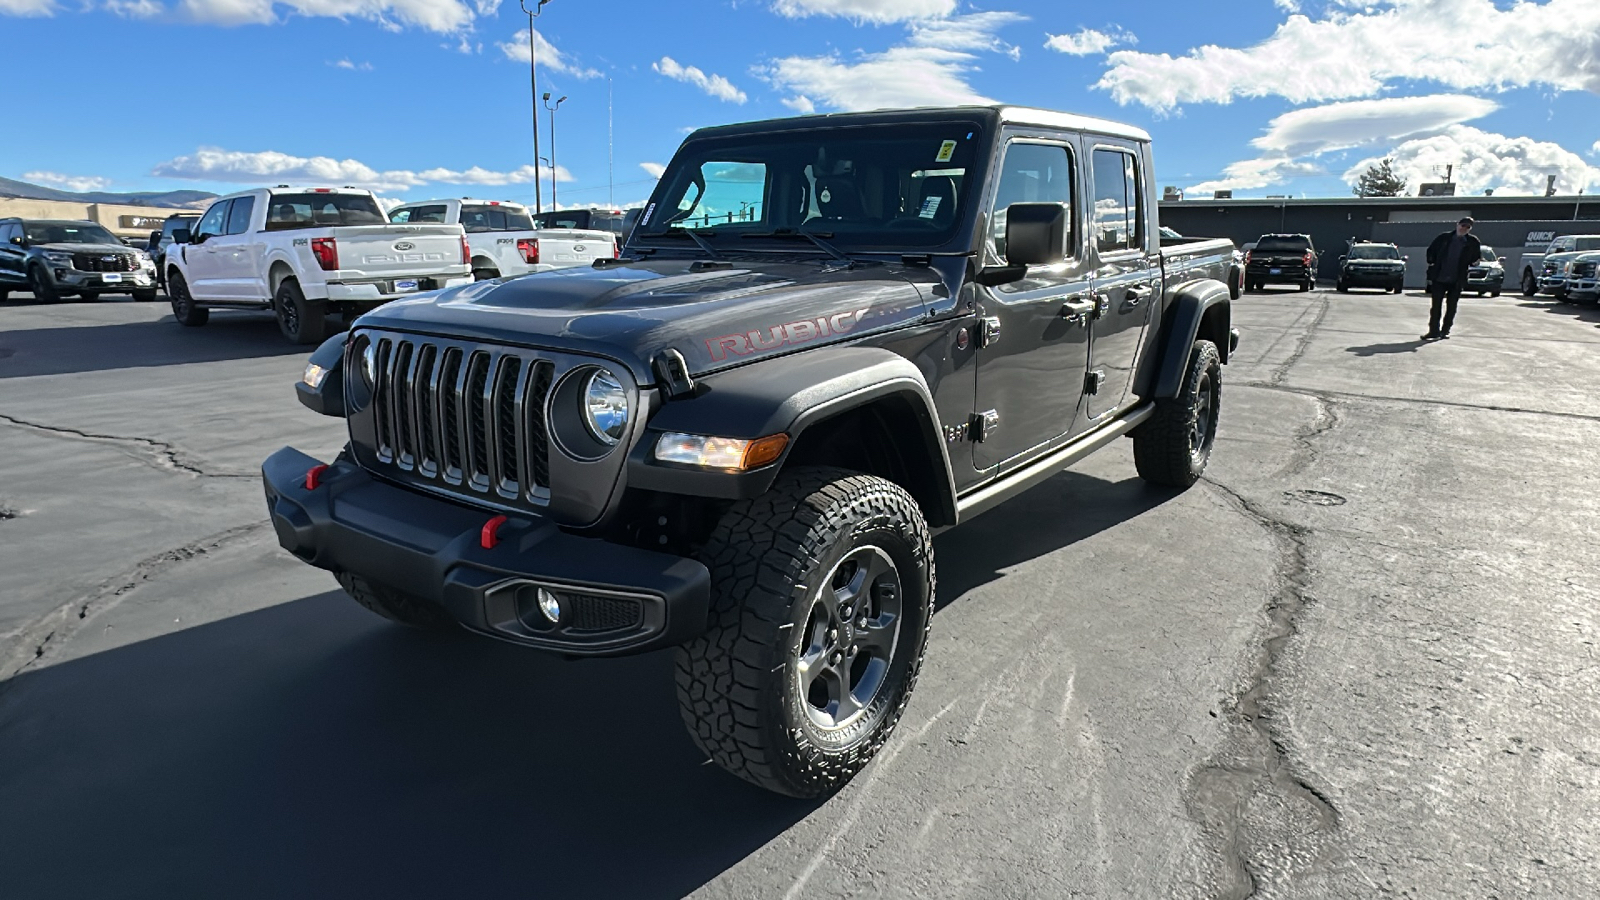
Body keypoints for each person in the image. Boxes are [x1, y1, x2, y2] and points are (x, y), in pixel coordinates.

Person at [1422, 217, 1482, 340]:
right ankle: (1433, 331)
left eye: (1467, 227)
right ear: (1457, 225)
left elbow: (1476, 257)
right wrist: (1432, 262)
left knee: (1452, 306)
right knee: (1436, 306)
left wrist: (1475, 262)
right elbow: (1431, 250)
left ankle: (1445, 331)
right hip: (1439, 277)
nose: (1464, 229)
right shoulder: (1444, 238)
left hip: (1457, 279)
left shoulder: (1472, 241)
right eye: (1463, 225)